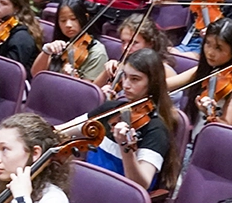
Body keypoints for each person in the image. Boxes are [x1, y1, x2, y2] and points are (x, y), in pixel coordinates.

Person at [69, 49, 182, 192]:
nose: (126, 85)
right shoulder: (111, 108)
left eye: (135, 79)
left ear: (153, 82)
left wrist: (125, 148)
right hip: (88, 187)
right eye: (125, 76)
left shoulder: (156, 129)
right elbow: (66, 129)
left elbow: (141, 184)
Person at [173, 18, 232, 134]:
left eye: (218, 48)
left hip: (222, 146)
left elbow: (225, 127)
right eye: (208, 43)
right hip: (196, 140)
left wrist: (208, 113)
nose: (210, 52)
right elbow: (168, 84)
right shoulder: (206, 71)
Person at [0, 113, 71, 203]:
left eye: (5, 149)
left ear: (35, 153)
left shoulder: (54, 198)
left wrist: (21, 197)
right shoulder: (8, 186)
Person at [95, 13, 179, 92]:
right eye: (123, 42)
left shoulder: (164, 72)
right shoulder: (125, 65)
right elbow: (93, 94)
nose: (125, 48)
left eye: (134, 43)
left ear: (150, 44)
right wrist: (107, 73)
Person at [32, 0, 107, 81]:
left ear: (85, 17)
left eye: (73, 19)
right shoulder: (59, 44)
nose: (68, 25)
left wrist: (71, 78)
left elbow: (87, 91)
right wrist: (46, 51)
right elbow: (36, 74)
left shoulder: (97, 51)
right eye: (63, 20)